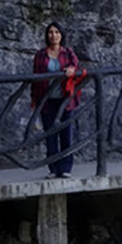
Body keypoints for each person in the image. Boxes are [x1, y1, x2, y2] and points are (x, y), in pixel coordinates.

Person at [31, 22, 81, 178]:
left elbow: (76, 67)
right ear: (47, 35)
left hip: (65, 99)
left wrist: (72, 70)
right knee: (50, 134)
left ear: (61, 35)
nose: (54, 35)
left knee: (66, 133)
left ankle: (66, 168)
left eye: (57, 32)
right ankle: (53, 169)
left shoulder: (68, 53)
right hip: (47, 99)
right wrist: (34, 100)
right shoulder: (40, 55)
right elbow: (35, 78)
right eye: (51, 32)